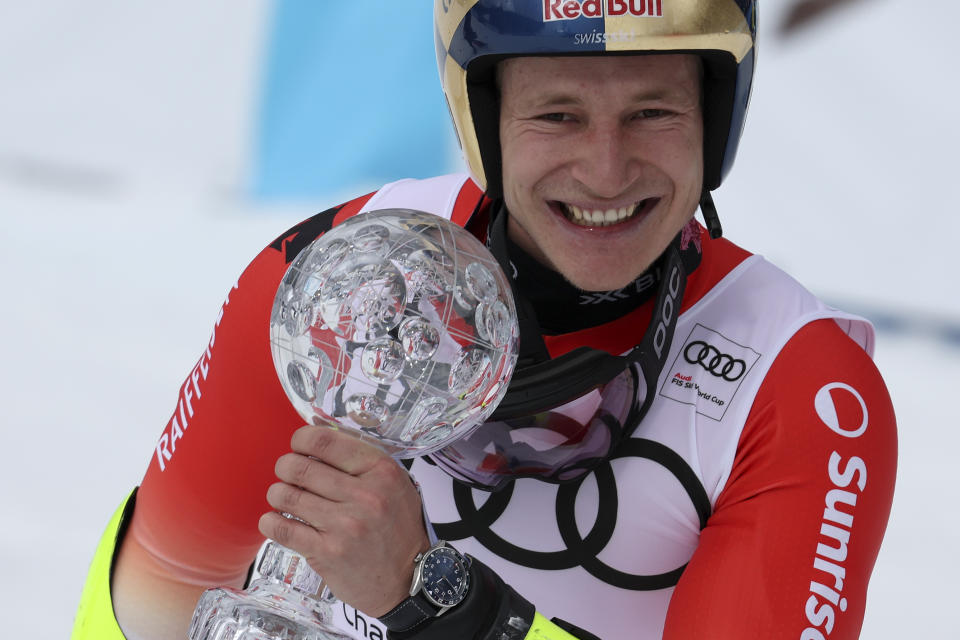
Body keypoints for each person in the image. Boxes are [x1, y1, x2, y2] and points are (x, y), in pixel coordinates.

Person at [72, 1, 897, 639]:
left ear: (716, 122)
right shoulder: (332, 276)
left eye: (653, 113)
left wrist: (437, 601)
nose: (606, 171)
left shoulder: (802, 390)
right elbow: (145, 606)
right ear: (486, 121)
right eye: (558, 115)